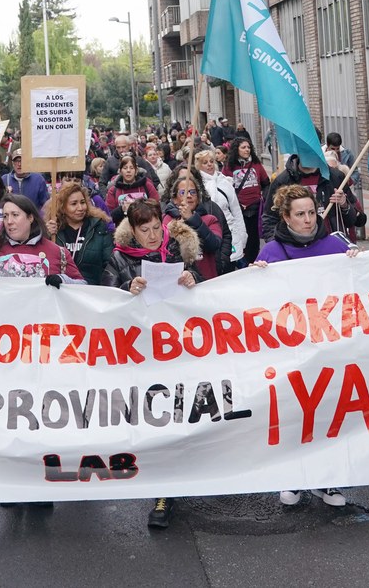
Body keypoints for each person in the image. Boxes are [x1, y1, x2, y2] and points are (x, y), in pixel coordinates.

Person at [251, 185, 359, 509]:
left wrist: (357, 261)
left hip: (330, 348)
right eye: (300, 214)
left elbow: (361, 288)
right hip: (291, 350)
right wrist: (254, 277)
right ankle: (293, 477)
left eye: (311, 213)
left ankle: (328, 481)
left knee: (329, 412)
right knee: (295, 413)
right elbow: (253, 303)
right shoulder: (270, 252)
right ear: (285, 216)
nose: (308, 220)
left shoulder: (336, 244)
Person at [103, 197, 200, 529]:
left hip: (178, 350)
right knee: (153, 419)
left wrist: (192, 278)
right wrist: (125, 288)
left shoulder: (177, 251)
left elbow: (206, 287)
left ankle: (170, 487)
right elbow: (104, 298)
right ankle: (162, 487)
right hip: (140, 354)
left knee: (178, 415)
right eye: (145, 230)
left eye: (157, 228)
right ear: (132, 230)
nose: (153, 236)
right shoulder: (119, 258)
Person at [0, 194, 83, 280]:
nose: (9, 221)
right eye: (5, 216)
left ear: (30, 218)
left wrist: (63, 281)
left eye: (15, 215)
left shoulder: (58, 252)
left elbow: (80, 288)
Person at [259, 154, 361, 244]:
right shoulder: (282, 181)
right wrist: (277, 246)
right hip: (296, 249)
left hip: (330, 246)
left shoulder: (335, 177)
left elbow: (355, 220)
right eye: (304, 150)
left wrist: (344, 205)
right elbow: (270, 219)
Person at [160, 166, 231, 278]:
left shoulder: (210, 219)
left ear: (198, 198)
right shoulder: (167, 220)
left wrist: (192, 219)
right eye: (183, 192)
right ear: (174, 199)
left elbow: (213, 245)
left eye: (193, 192)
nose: (189, 196)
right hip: (178, 279)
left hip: (206, 279)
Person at [43, 180, 116, 286]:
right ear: (62, 207)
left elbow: (110, 265)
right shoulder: (54, 230)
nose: (80, 208)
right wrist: (46, 236)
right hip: (60, 290)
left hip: (92, 290)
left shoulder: (98, 227)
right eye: (74, 204)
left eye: (82, 202)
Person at [193, 149, 246, 263]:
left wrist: (242, 236)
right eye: (205, 162)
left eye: (211, 161)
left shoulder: (225, 182)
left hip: (230, 232)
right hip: (209, 233)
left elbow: (236, 211)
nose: (209, 164)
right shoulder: (196, 186)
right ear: (199, 165)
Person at [225, 137, 271, 265]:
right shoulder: (229, 166)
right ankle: (242, 264)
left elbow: (266, 184)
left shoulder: (256, 165)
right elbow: (226, 188)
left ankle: (253, 261)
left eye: (248, 147)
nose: (247, 150)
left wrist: (264, 198)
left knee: (254, 239)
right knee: (240, 238)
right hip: (238, 209)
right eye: (243, 147)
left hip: (255, 207)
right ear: (236, 149)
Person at [103, 154, 160, 225]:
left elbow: (157, 207)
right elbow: (108, 216)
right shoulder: (113, 190)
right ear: (120, 171)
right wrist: (121, 209)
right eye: (125, 168)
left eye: (131, 168)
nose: (128, 171)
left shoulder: (147, 186)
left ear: (136, 171)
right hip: (123, 230)